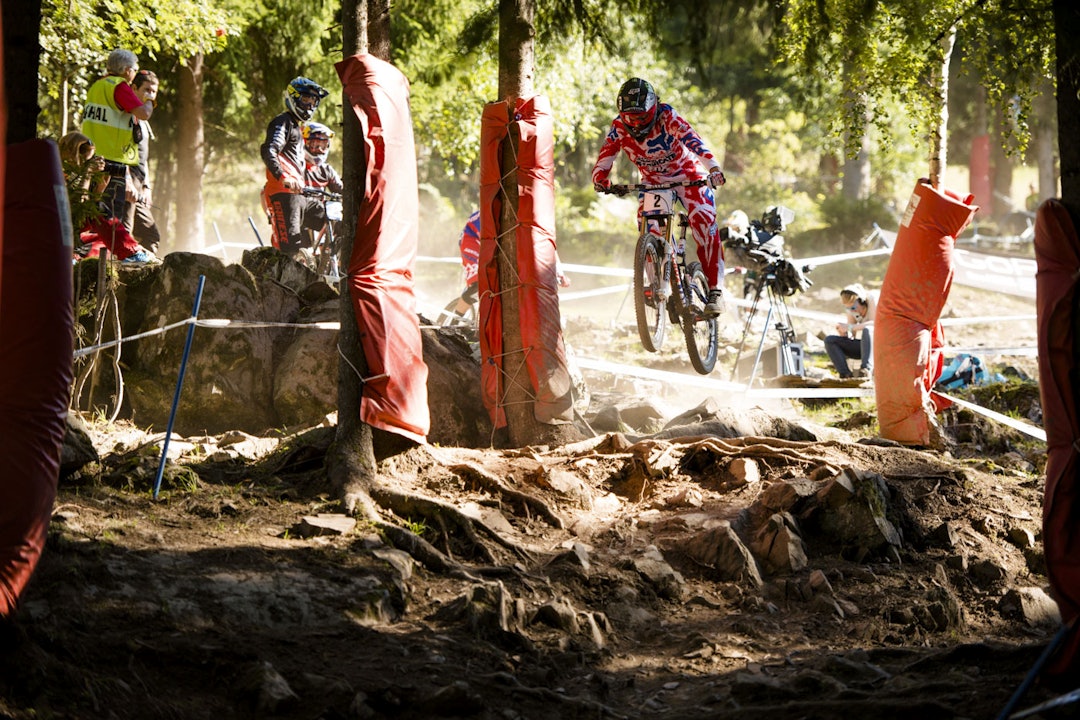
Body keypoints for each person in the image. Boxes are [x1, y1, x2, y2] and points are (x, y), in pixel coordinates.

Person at [591, 77, 728, 316]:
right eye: (629, 117)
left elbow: (694, 141)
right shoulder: (619, 127)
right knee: (648, 229)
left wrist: (714, 168)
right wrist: (600, 178)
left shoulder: (668, 117)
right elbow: (606, 155)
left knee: (704, 220)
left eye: (641, 117)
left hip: (689, 175)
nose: (635, 123)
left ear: (653, 109)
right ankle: (660, 284)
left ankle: (715, 289)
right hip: (654, 182)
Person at [80, 49, 154, 222]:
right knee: (111, 219)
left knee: (92, 214)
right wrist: (150, 100)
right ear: (127, 70)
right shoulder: (119, 86)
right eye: (135, 69)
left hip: (93, 158)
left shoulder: (98, 85)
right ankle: (108, 249)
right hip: (112, 164)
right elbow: (143, 113)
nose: (135, 73)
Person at [451, 210, 569, 317]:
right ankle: (454, 320)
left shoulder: (535, 222)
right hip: (472, 240)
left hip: (494, 241)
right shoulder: (508, 215)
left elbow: (548, 247)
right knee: (479, 282)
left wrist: (560, 272)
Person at [260, 76, 329, 259]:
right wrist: (284, 177)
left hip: (299, 196)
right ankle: (281, 284)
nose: (310, 104)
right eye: (306, 99)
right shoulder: (282, 122)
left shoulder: (298, 127)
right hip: (283, 194)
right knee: (289, 253)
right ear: (294, 97)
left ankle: (325, 266)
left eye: (314, 100)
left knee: (333, 220)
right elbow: (269, 150)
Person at [58, 131, 153, 263]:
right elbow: (79, 207)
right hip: (56, 231)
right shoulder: (58, 173)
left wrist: (100, 188)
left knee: (104, 242)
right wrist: (87, 173)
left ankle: (75, 257)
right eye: (86, 159)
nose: (88, 162)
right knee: (98, 209)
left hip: (72, 233)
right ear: (72, 154)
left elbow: (86, 209)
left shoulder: (78, 174)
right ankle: (130, 252)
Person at [123, 70, 161, 255]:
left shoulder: (144, 120)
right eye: (146, 90)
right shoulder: (124, 115)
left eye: (154, 92)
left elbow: (143, 156)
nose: (150, 95)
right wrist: (127, 180)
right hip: (125, 183)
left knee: (151, 235)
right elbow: (119, 151)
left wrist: (147, 187)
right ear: (134, 88)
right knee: (124, 234)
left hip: (139, 186)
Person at [824, 283, 877, 379]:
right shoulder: (851, 312)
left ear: (862, 302)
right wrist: (844, 333)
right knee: (830, 340)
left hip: (878, 347)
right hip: (863, 347)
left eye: (853, 307)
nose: (852, 311)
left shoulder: (871, 300)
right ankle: (845, 374)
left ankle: (866, 370)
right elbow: (852, 334)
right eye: (848, 309)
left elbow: (876, 324)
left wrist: (850, 327)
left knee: (868, 330)